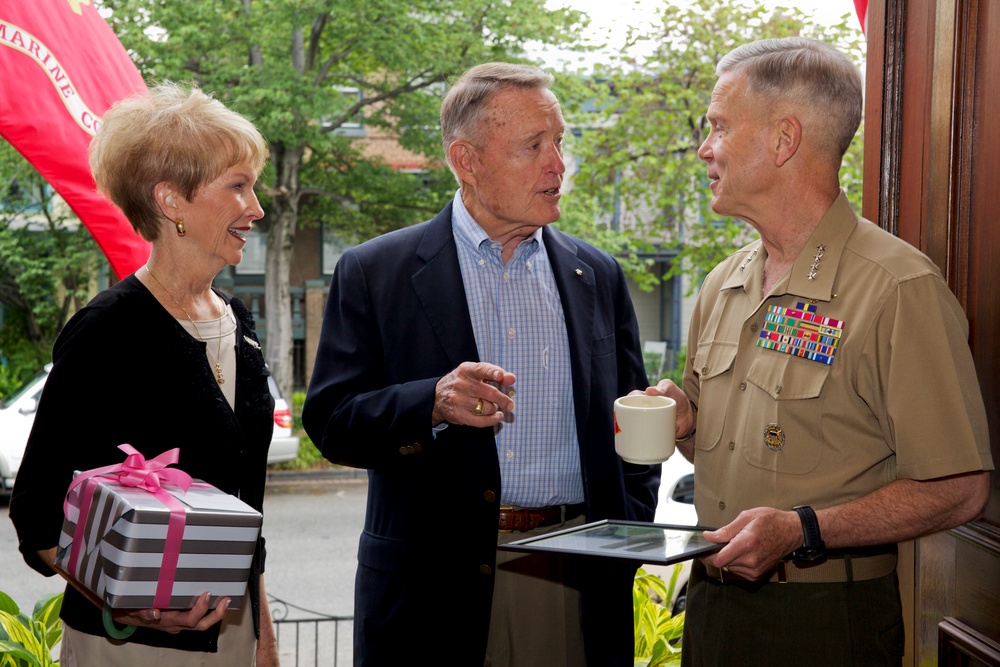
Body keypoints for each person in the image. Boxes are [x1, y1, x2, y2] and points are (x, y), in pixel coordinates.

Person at [645, 37, 994, 666]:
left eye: (719, 127)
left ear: (783, 140)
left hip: (824, 621)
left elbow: (960, 488)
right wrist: (689, 425)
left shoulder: (896, 288)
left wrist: (803, 530)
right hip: (712, 607)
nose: (704, 149)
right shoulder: (721, 284)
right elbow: (736, 453)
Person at [302, 62, 660, 666]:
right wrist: (430, 403)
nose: (558, 163)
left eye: (560, 141)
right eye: (533, 146)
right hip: (433, 593)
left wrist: (628, 524)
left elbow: (632, 419)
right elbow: (333, 421)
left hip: (577, 580)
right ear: (466, 161)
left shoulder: (597, 274)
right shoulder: (376, 271)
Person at [10, 82, 280, 666]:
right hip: (131, 647)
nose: (257, 208)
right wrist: (126, 606)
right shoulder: (107, 330)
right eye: (238, 186)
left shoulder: (239, 320)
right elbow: (36, 511)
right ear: (170, 200)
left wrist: (262, 633)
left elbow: (244, 505)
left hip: (234, 634)